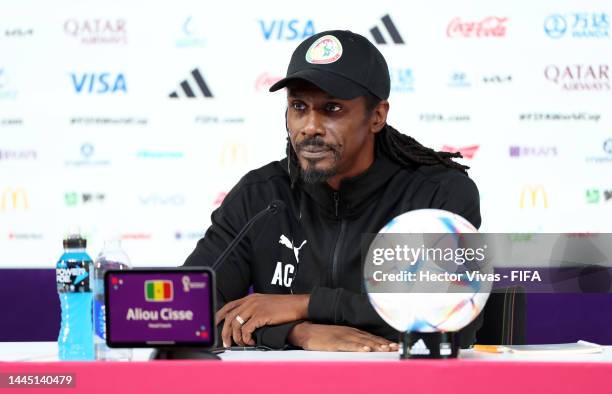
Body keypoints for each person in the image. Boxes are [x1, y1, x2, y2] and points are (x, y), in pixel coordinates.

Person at [184, 30, 482, 352]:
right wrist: (297, 333)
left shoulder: (435, 195)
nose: (310, 126)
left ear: (377, 116)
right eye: (299, 106)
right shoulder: (260, 197)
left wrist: (309, 305)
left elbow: (452, 322)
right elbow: (186, 315)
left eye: (332, 109)